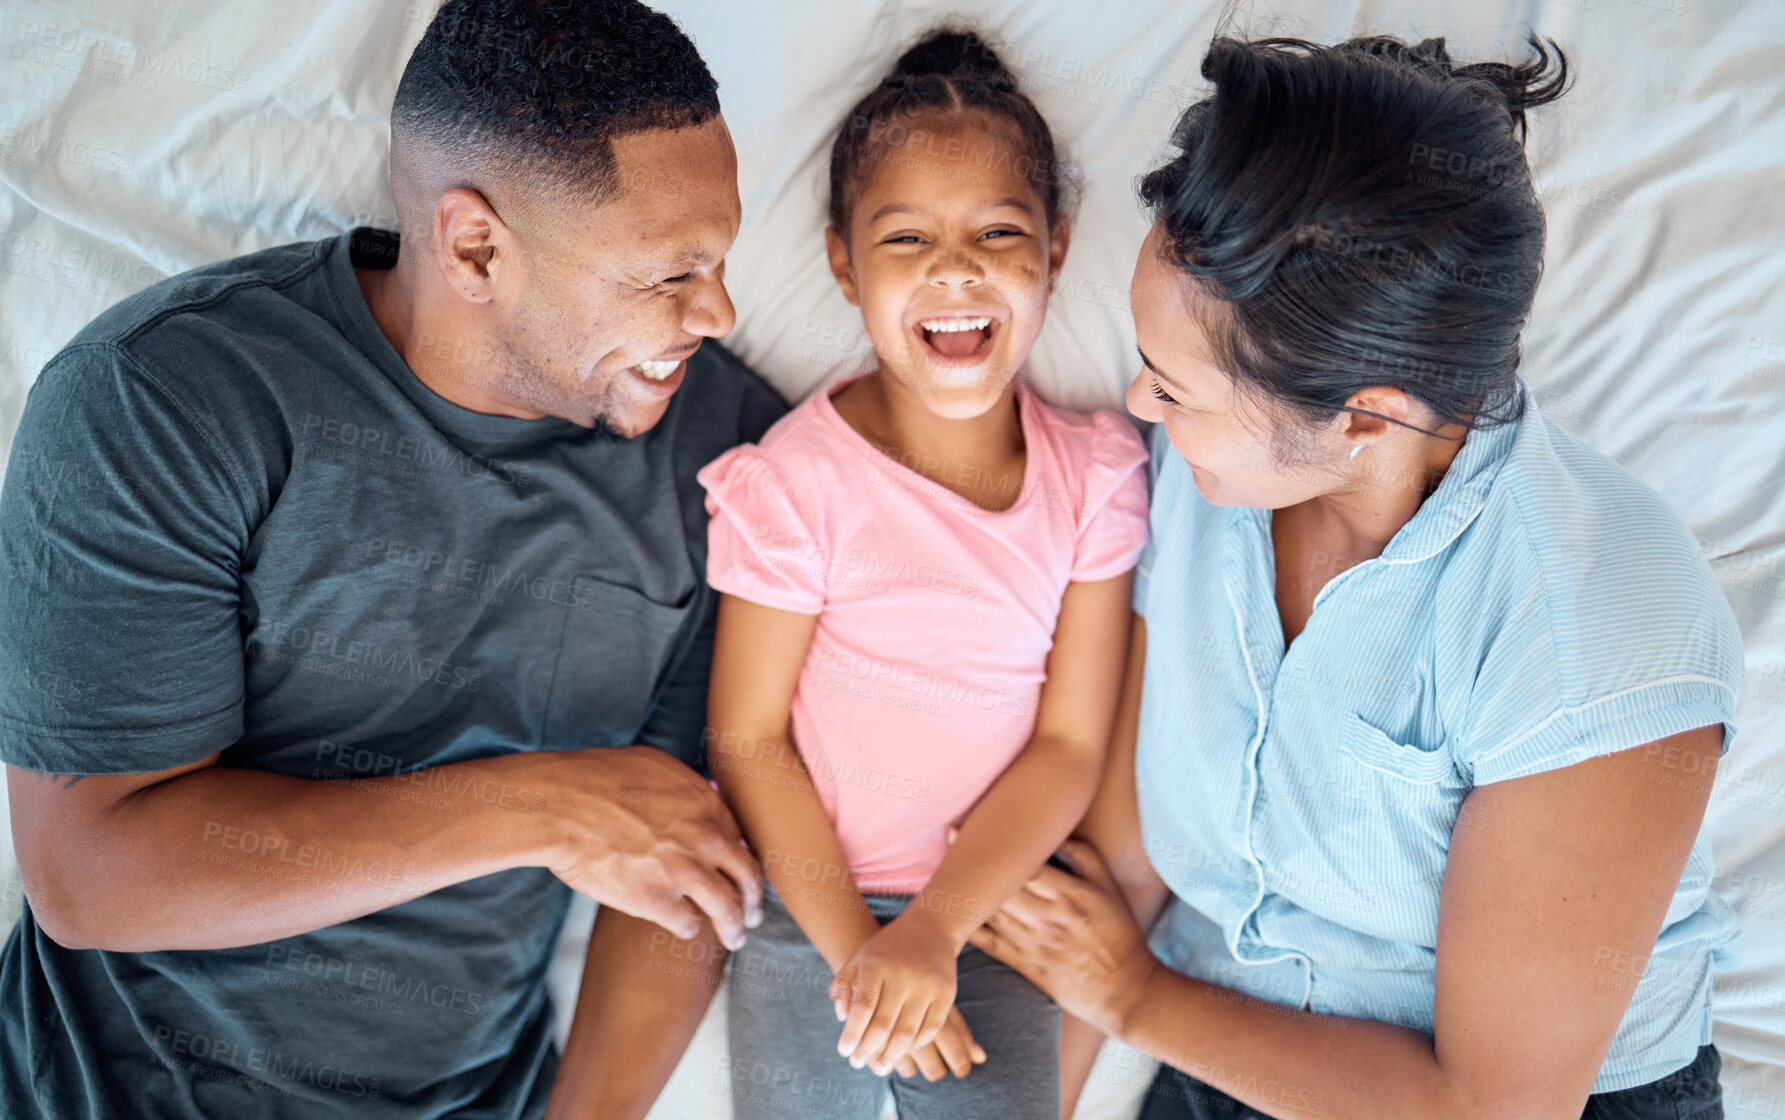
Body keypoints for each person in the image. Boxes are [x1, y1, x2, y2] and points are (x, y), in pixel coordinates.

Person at [0, 2, 780, 1117]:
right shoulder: (168, 399)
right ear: (475, 247)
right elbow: (92, 872)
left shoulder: (730, 463)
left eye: (721, 257)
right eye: (669, 274)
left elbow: (680, 870)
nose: (719, 310)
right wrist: (545, 807)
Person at [966, 34, 1742, 1120]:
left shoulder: (1596, 617)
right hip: (1217, 1042)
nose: (1138, 407)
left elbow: (1494, 1107)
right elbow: (1128, 876)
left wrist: (1136, 1000)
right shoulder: (1205, 476)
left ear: (1368, 417)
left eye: (1174, 389)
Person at [695, 29, 1149, 1120]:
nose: (957, 268)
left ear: (1057, 250)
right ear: (844, 264)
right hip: (811, 914)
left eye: (1000, 231)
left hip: (996, 909)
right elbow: (747, 740)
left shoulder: (1091, 478)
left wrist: (938, 929)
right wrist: (868, 955)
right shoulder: (796, 482)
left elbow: (1070, 744)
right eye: (908, 239)